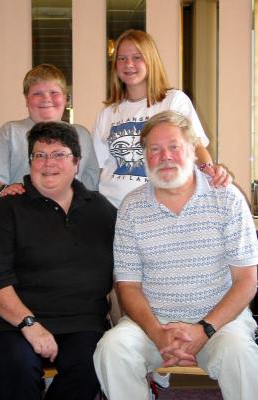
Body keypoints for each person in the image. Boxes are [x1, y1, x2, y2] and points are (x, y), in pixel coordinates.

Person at [93, 111, 258, 400]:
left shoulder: (227, 198)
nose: (164, 156)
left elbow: (246, 279)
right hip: (154, 325)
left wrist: (204, 329)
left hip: (220, 323)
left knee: (240, 353)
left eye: (174, 146)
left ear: (193, 150)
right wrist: (157, 333)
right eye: (154, 149)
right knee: (112, 348)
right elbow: (128, 286)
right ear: (144, 156)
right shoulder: (132, 208)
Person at [0, 122, 116, 400]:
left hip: (80, 321)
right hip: (8, 322)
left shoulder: (101, 210)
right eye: (39, 155)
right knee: (18, 365)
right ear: (30, 162)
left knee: (96, 363)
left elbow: (128, 266)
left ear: (76, 162)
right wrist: (29, 325)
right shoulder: (7, 210)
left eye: (58, 154)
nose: (48, 164)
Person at [93, 29, 230, 209]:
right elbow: (101, 167)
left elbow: (195, 147)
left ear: (150, 60)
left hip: (158, 208)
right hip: (111, 209)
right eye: (122, 58)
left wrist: (209, 170)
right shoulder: (107, 113)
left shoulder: (173, 101)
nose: (128, 64)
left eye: (137, 57)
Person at [0, 63, 99, 200]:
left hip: (70, 217)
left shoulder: (82, 135)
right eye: (37, 93)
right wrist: (4, 191)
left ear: (65, 98)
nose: (46, 98)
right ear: (27, 100)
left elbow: (91, 182)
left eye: (54, 93)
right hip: (22, 216)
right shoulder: (10, 132)